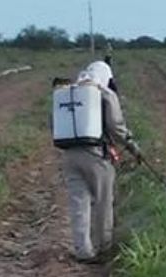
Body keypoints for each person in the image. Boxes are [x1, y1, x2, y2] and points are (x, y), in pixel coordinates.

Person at [60, 60, 140, 264]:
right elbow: (116, 126)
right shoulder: (104, 93)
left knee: (78, 203)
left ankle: (83, 250)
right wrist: (132, 146)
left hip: (69, 154)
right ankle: (104, 247)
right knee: (103, 202)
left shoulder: (67, 93)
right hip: (96, 155)